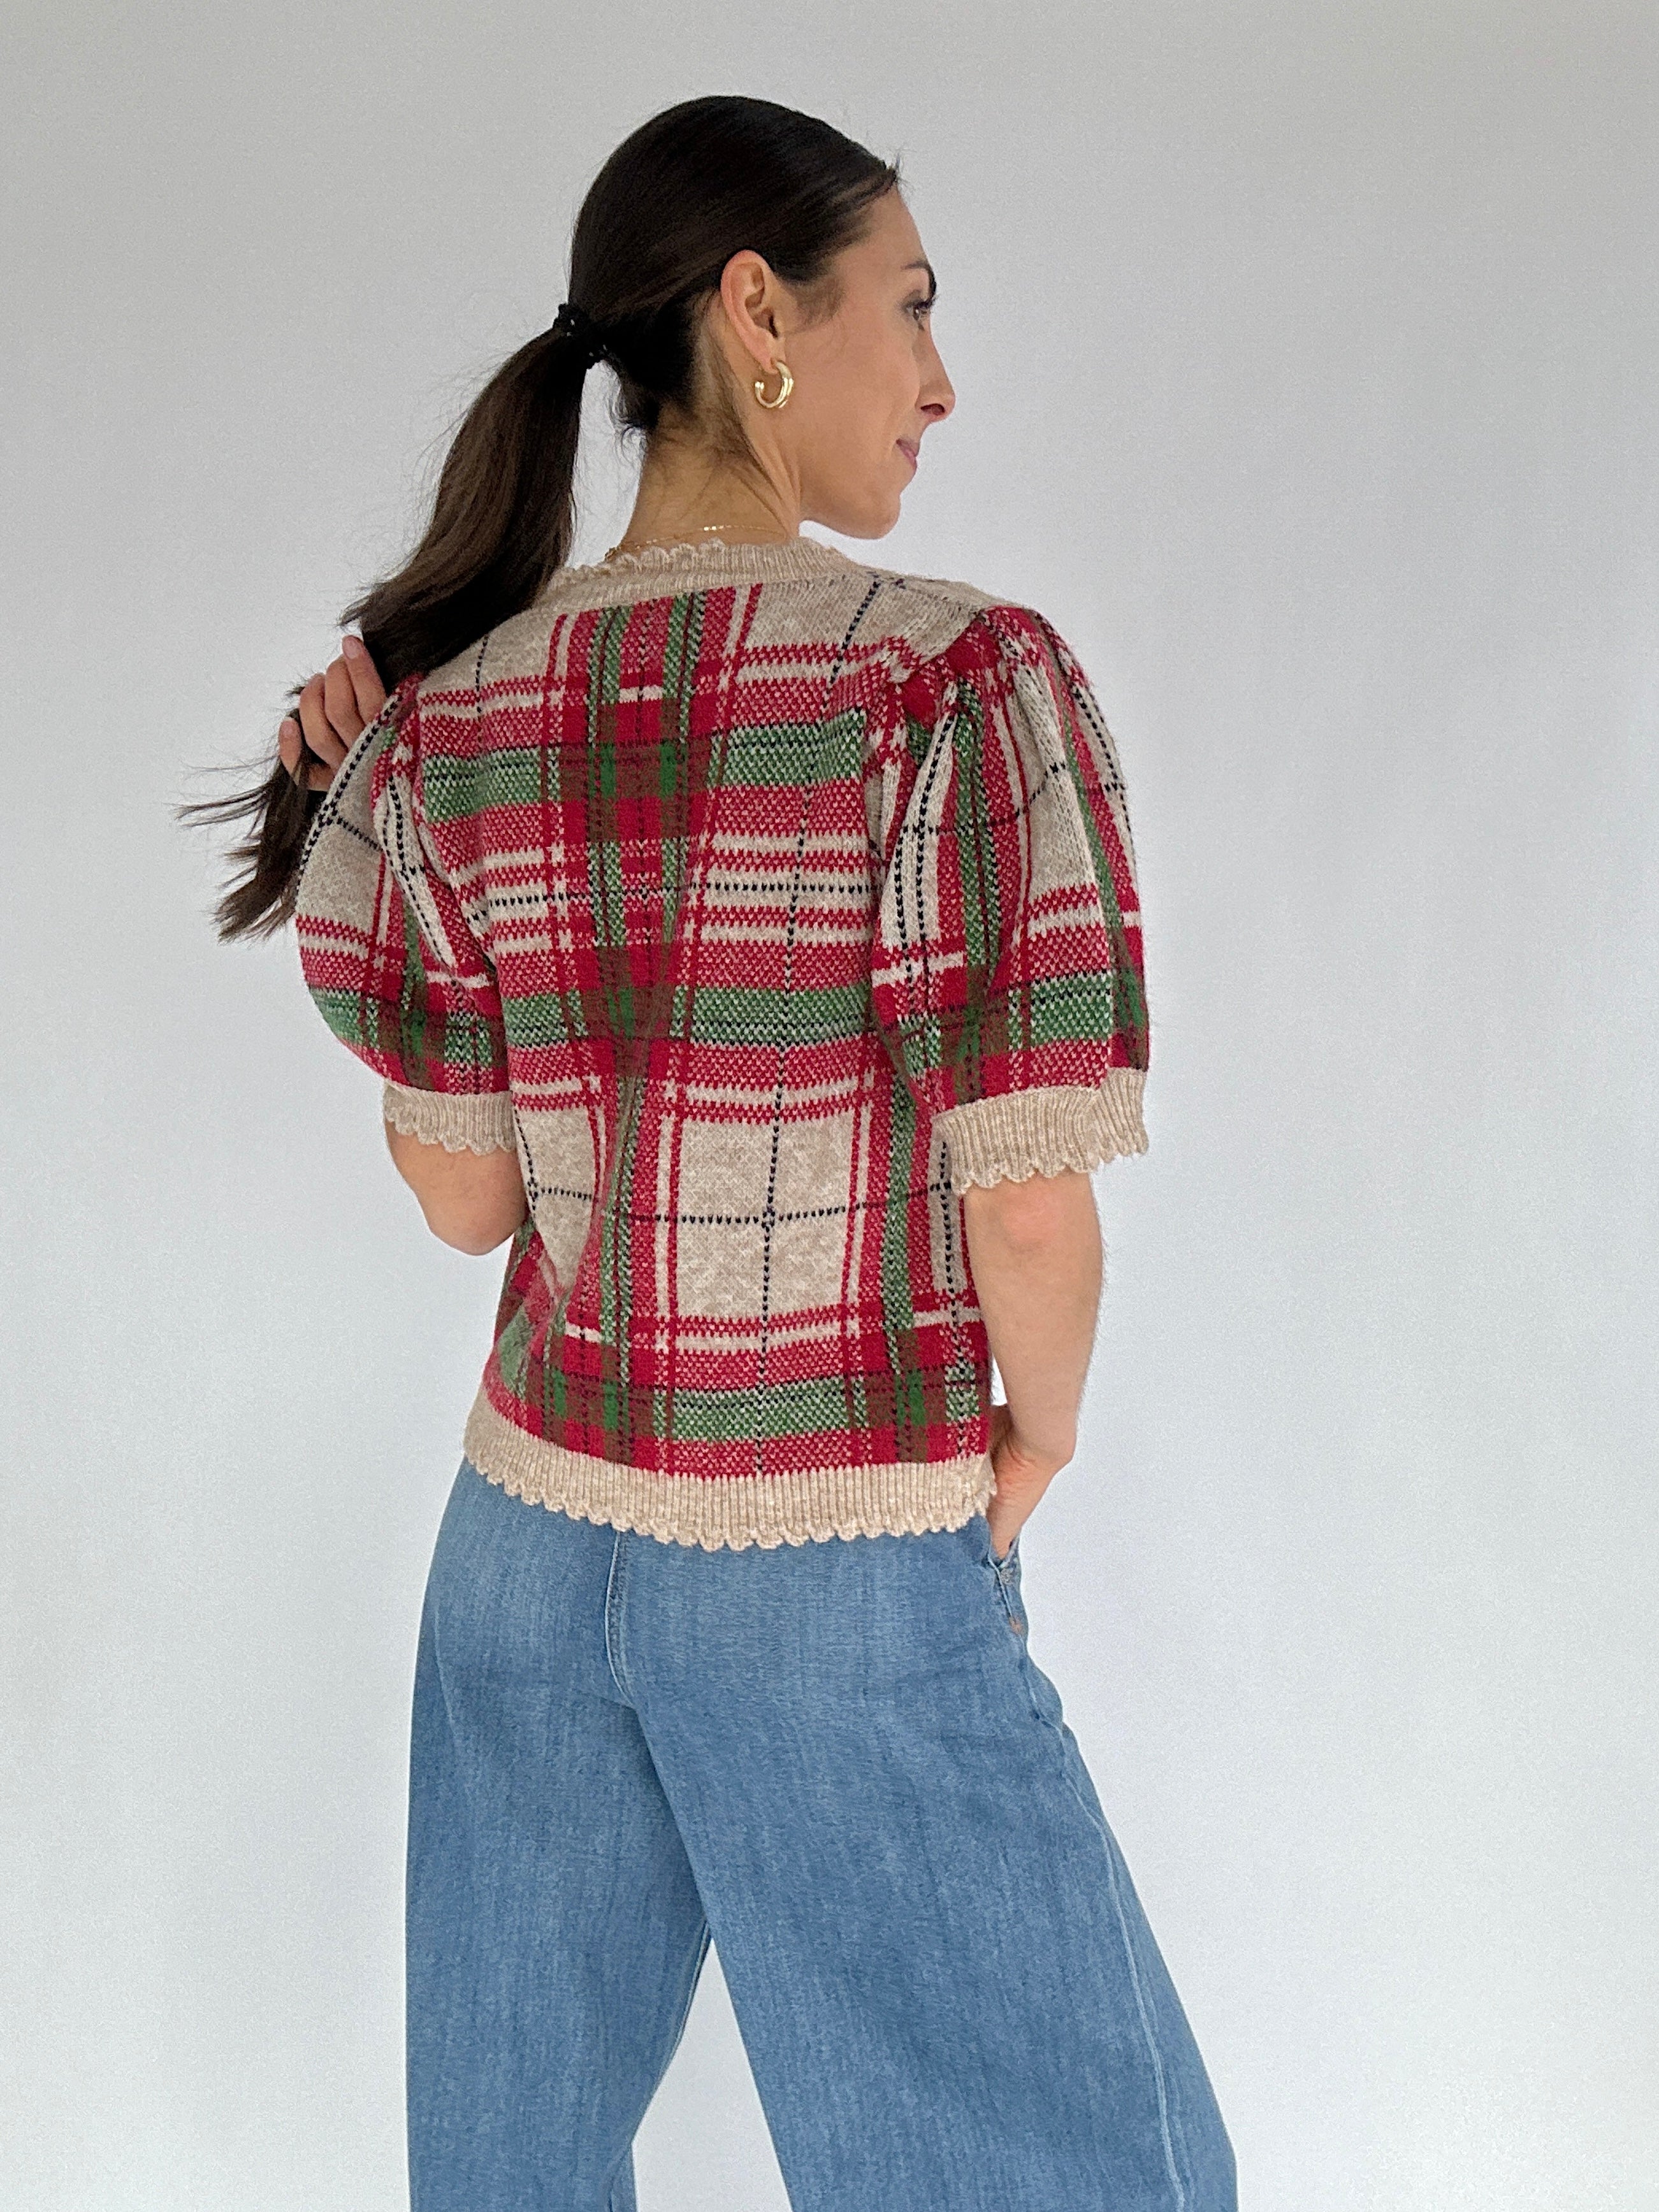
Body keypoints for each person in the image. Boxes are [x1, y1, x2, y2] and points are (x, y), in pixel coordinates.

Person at [196, 92, 1236, 2212]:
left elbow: (470, 1200)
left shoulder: (454, 713)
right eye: (909, 310)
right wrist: (1039, 1438)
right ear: (758, 314)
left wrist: (378, 787)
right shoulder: (948, 682)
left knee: (509, 2177)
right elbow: (1023, 1189)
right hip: (828, 1542)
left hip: (527, 1556)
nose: (938, 379)